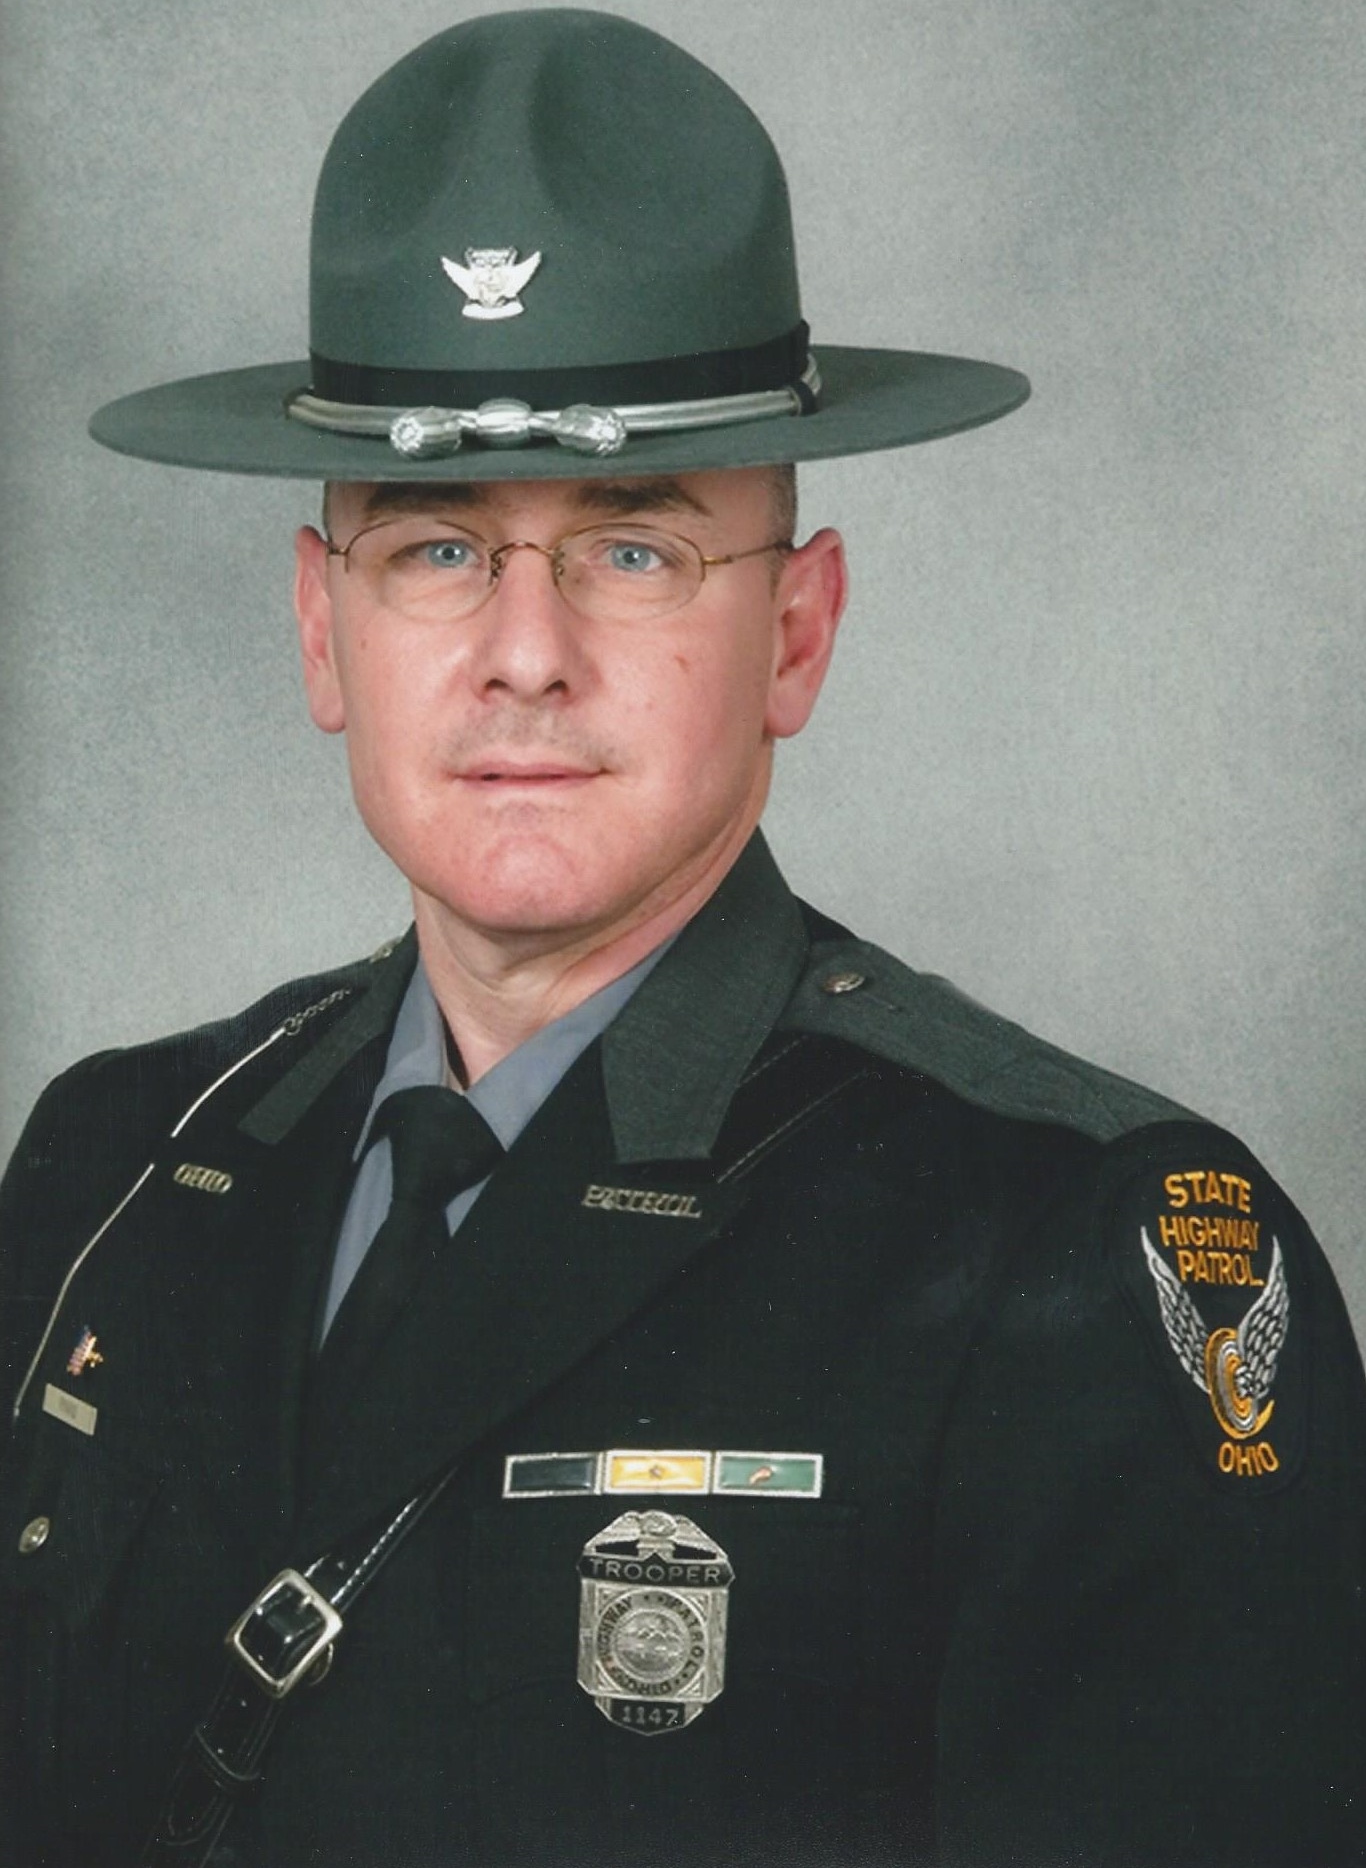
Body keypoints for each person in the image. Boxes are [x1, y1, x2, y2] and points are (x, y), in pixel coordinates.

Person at [2, 10, 1363, 1867]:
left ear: (795, 634)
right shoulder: (117, 1169)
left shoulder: (1063, 1252)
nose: (525, 652)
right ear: (324, 632)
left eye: (633, 549)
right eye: (434, 548)